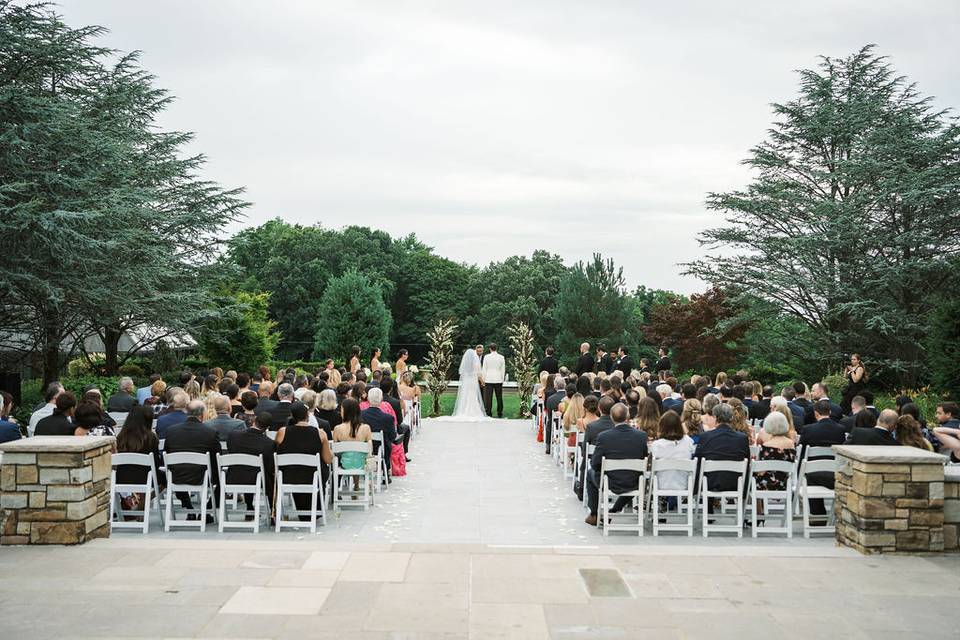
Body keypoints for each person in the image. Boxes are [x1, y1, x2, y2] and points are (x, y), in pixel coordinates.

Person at [584, 403, 648, 526]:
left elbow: (595, 463)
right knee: (634, 478)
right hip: (634, 481)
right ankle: (613, 510)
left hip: (610, 481)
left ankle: (594, 513)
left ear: (612, 418)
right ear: (628, 416)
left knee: (590, 473)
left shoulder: (604, 437)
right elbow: (643, 457)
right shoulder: (641, 436)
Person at [164, 400, 221, 518]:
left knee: (175, 469)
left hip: (176, 475)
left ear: (186, 413)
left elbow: (167, 453)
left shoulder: (171, 431)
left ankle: (188, 505)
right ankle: (207, 509)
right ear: (203, 414)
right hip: (201, 476)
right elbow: (217, 456)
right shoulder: (210, 432)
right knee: (223, 477)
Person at [276, 402, 333, 519]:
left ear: (292, 416)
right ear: (308, 415)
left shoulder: (282, 432)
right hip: (313, 476)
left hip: (289, 476)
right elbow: (328, 459)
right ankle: (312, 510)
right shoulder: (320, 433)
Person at [226, 411, 277, 520]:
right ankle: (274, 512)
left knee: (247, 470)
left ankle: (250, 506)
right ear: (267, 428)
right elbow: (270, 466)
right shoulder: (269, 443)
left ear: (254, 421)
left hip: (233, 476)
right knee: (270, 475)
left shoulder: (233, 436)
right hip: (257, 479)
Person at [695, 403, 750, 493]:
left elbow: (698, 460)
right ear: (731, 418)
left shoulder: (705, 436)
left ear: (715, 417)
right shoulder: (742, 438)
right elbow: (747, 461)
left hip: (709, 482)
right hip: (736, 482)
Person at [650, 411, 695, 490]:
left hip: (661, 484)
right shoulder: (688, 441)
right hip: (684, 483)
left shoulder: (657, 445)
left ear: (662, 427)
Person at [754, 412, 796, 492]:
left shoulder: (766, 446)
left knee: (754, 477)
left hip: (766, 485)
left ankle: (759, 504)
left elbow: (761, 472)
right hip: (785, 484)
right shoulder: (791, 444)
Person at [360, 388, 398, 477]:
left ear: (368, 399)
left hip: (364, 447)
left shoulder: (360, 415)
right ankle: (386, 471)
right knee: (387, 442)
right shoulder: (388, 418)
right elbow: (392, 436)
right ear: (381, 400)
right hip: (381, 449)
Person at [450, 347, 486, 420]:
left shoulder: (466, 365)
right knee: (473, 395)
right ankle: (474, 411)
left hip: (467, 382)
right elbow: (478, 374)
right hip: (473, 381)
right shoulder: (476, 362)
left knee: (465, 395)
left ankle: (464, 410)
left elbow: (462, 373)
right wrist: (482, 381)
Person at [481, 342, 506, 419]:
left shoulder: (486, 357)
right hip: (498, 379)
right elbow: (503, 369)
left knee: (488, 397)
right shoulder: (501, 357)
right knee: (499, 397)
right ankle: (500, 412)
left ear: (490, 349)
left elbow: (484, 369)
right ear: (496, 348)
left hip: (488, 379)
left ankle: (488, 412)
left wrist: (483, 379)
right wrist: (502, 379)